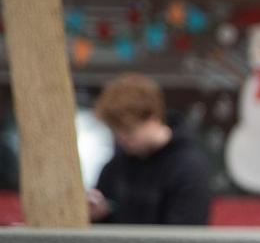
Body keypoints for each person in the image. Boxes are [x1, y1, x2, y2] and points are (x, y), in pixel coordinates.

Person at [89, 73, 212, 224]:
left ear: (153, 118)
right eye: (115, 132)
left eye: (128, 131)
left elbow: (185, 238)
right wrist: (98, 215)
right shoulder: (115, 168)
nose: (121, 140)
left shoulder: (189, 168)